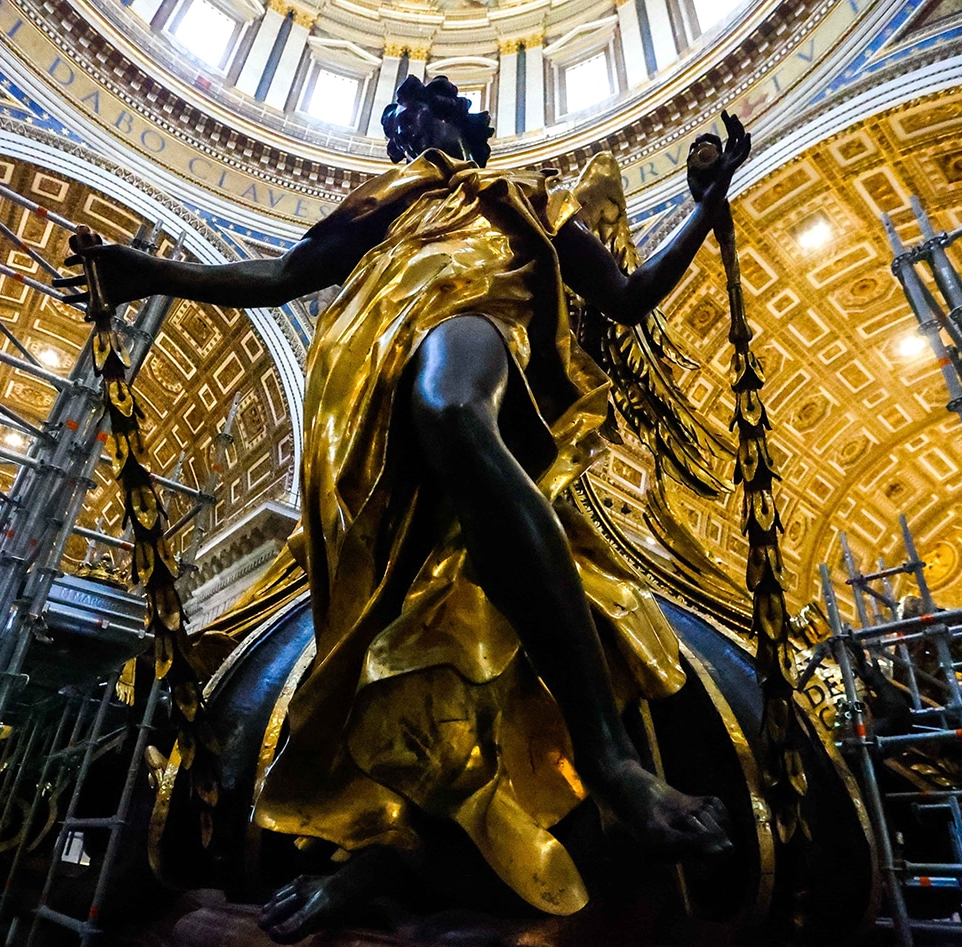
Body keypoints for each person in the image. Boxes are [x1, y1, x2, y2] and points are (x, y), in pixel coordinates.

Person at [60, 75, 751, 942]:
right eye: (391, 124)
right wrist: (146, 275)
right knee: (408, 621)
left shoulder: (532, 199)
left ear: (460, 118)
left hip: (474, 320)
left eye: (414, 113)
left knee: (452, 410)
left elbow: (628, 294)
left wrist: (707, 208)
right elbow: (282, 276)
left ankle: (611, 760)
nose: (400, 130)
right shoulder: (387, 201)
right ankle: (399, 843)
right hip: (358, 378)